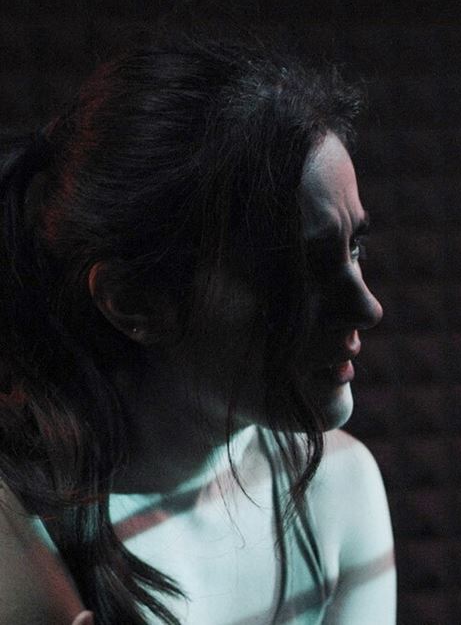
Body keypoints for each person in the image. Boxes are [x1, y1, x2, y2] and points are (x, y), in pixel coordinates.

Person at [0, 38, 395, 624]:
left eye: (353, 246)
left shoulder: (339, 488)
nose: (366, 308)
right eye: (294, 270)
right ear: (132, 301)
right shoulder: (19, 540)